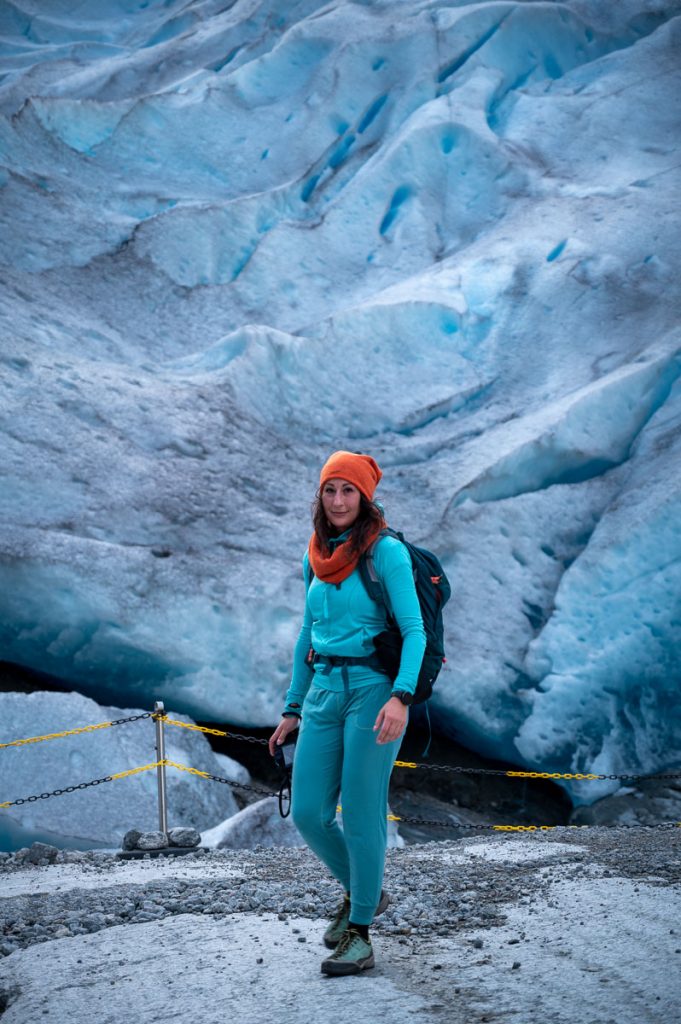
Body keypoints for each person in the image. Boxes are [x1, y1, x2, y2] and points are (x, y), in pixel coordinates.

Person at [269, 450, 426, 976]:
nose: (339, 501)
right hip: (323, 693)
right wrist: (293, 707)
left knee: (360, 810)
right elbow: (306, 637)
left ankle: (360, 932)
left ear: (365, 497)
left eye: (348, 491)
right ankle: (367, 893)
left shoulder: (385, 553)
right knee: (311, 812)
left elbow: (414, 632)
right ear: (320, 496)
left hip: (371, 690)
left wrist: (401, 697)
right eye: (331, 490)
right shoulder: (316, 554)